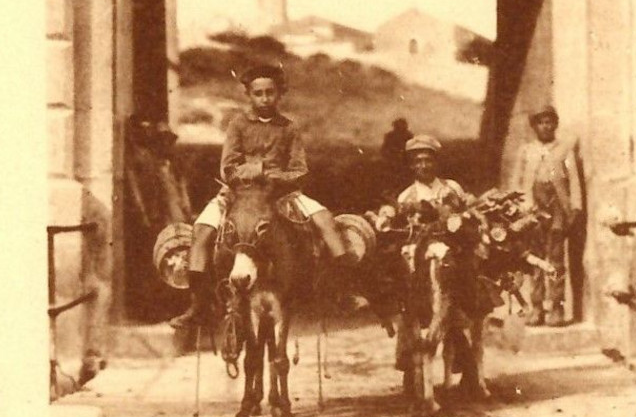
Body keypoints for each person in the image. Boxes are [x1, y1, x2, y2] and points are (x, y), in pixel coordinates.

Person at [170, 63, 352, 331]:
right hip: (238, 194)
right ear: (249, 95)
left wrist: (270, 174)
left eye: (270, 92)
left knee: (324, 220)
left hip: (281, 194)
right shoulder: (238, 124)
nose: (265, 99)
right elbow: (229, 168)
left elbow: (299, 170)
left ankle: (341, 290)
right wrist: (255, 172)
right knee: (202, 230)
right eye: (259, 93)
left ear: (279, 94)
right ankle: (198, 304)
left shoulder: (288, 127)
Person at [511, 104, 582, 327]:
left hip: (557, 207)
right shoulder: (526, 151)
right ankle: (537, 306)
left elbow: (574, 180)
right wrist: (516, 207)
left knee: (556, 258)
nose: (546, 126)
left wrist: (575, 207)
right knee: (535, 258)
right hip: (533, 208)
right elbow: (517, 180)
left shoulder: (564, 149)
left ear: (555, 124)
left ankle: (557, 306)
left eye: (549, 121)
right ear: (534, 126)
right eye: (541, 122)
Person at [397, 134, 470, 214]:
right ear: (412, 165)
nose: (424, 166)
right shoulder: (405, 198)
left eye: (428, 160)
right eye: (418, 161)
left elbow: (468, 216)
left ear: (435, 162)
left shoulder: (453, 187)